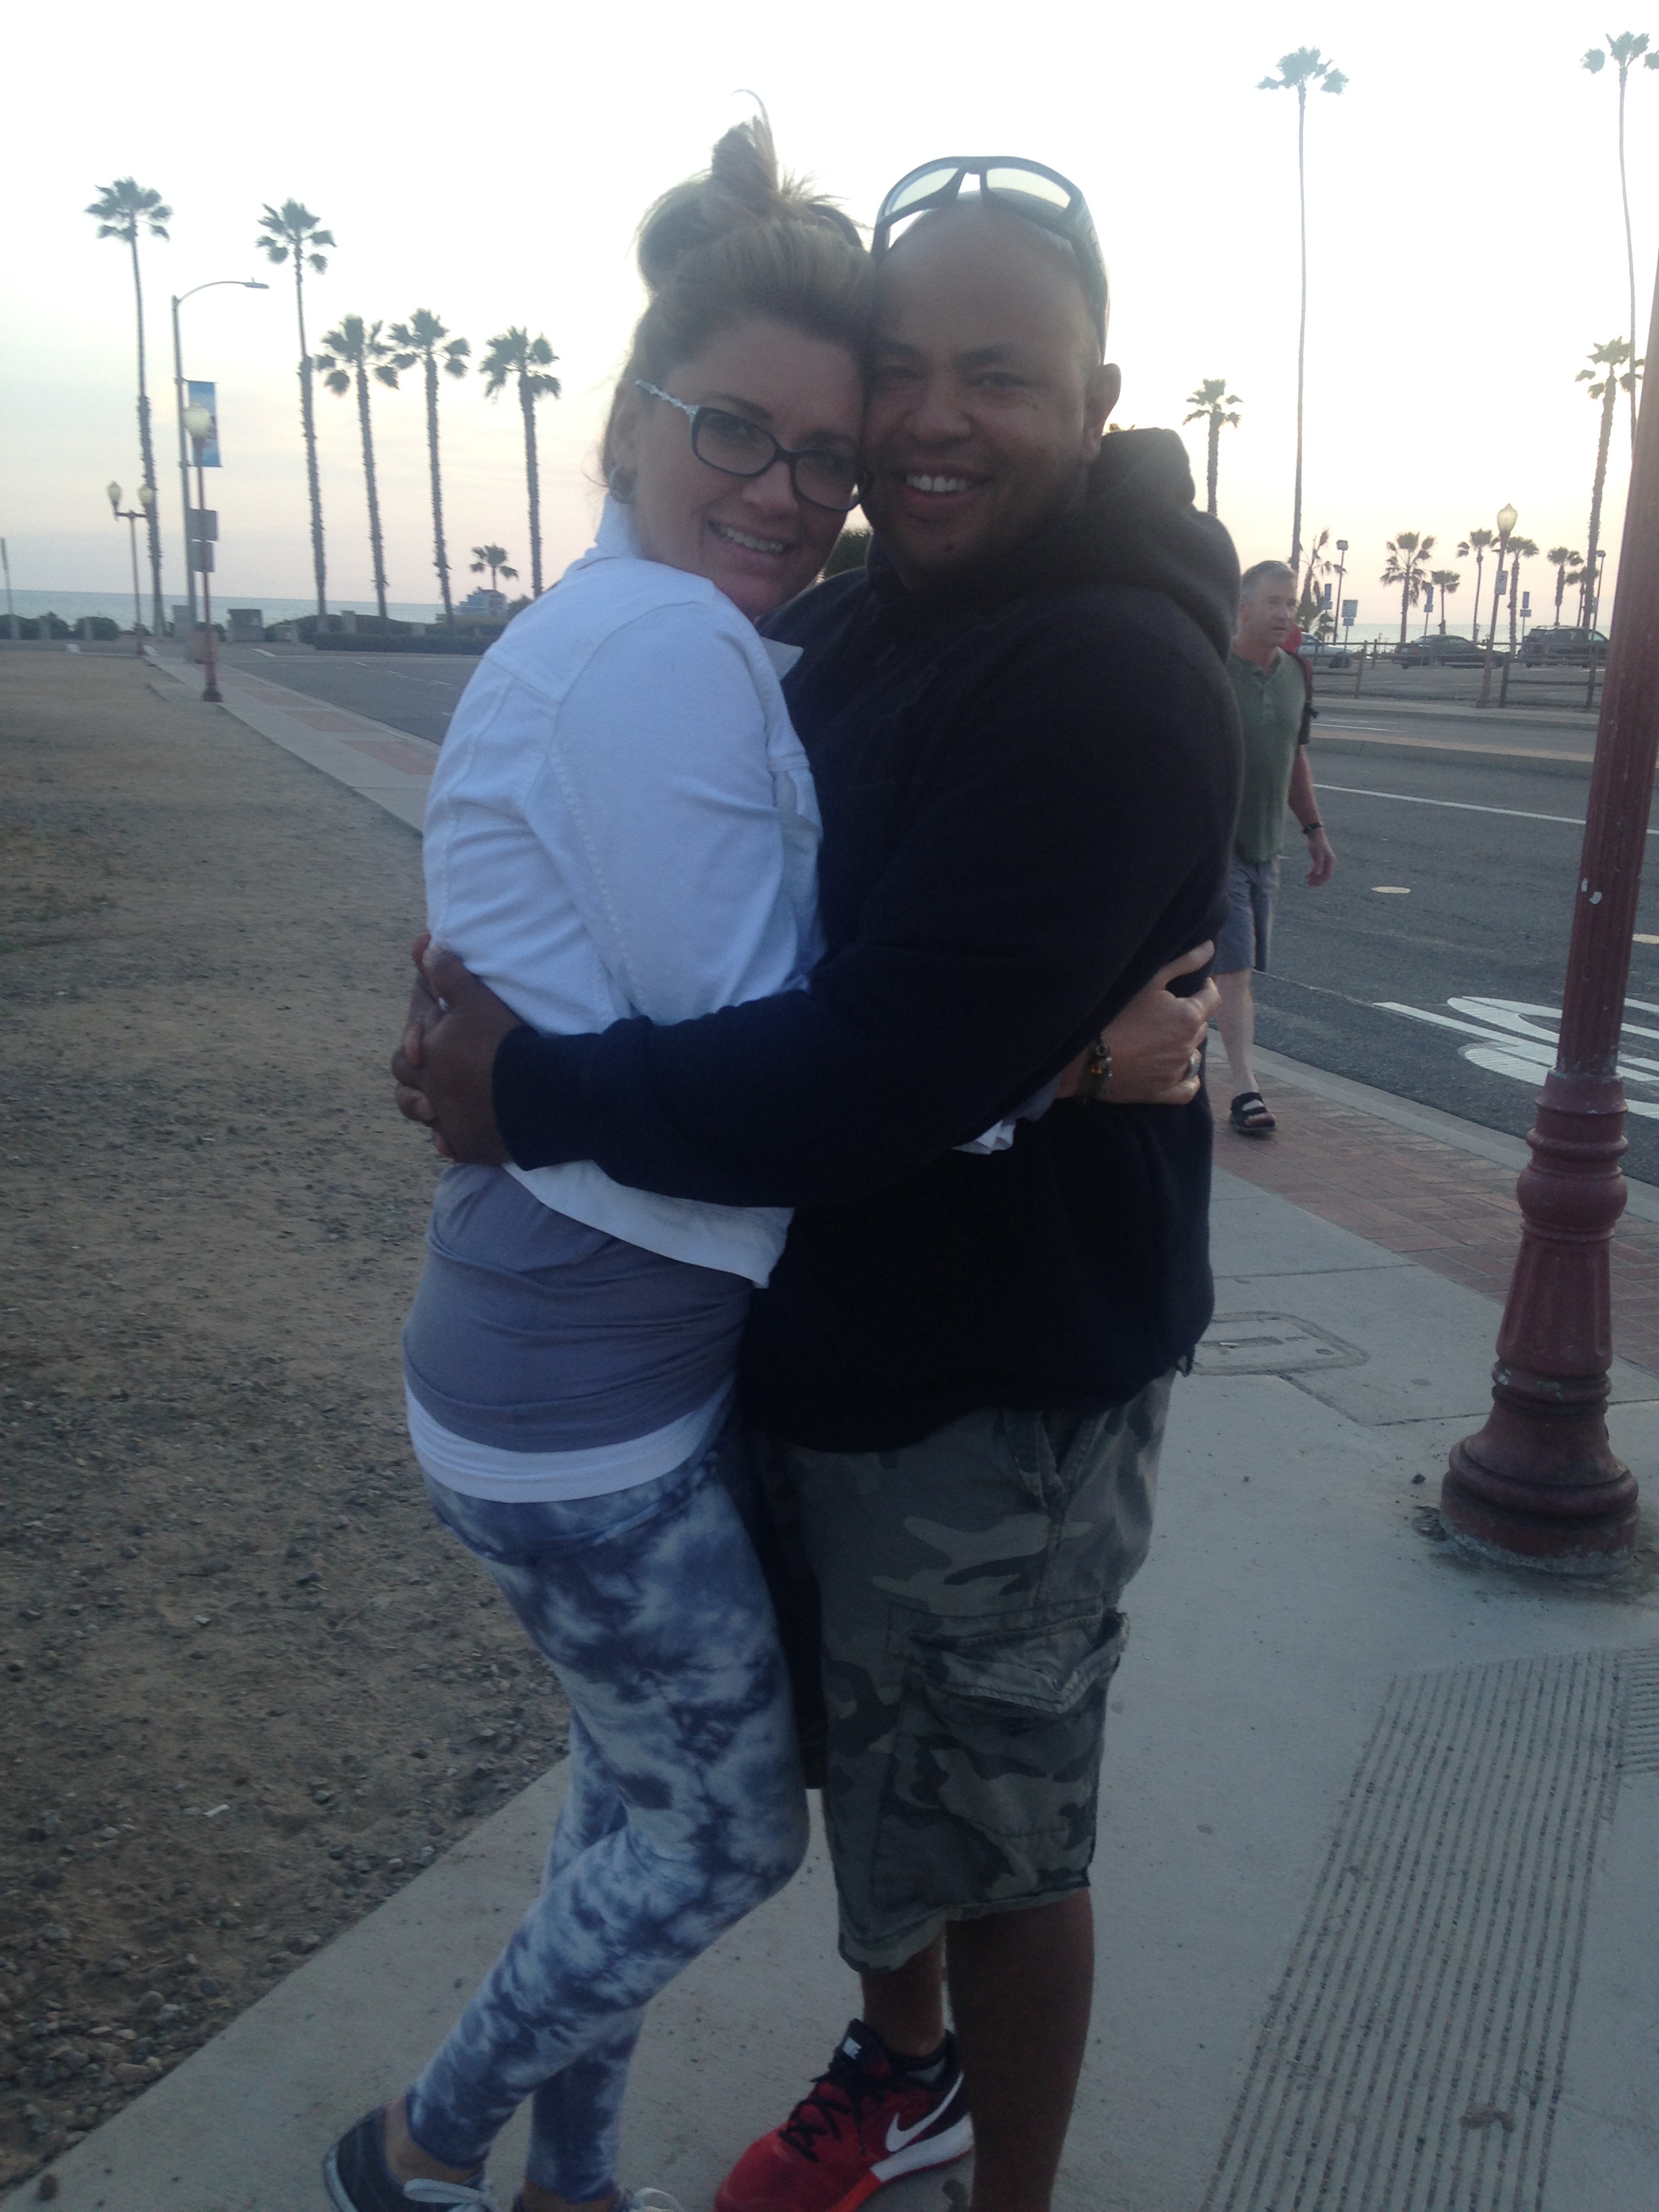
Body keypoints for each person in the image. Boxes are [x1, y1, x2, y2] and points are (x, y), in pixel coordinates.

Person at [394, 155, 1242, 2212]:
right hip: (810, 1332)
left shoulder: (1110, 670)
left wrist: (533, 1089)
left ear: (1094, 396)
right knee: (878, 1780)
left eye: (997, 375)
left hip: (990, 1384)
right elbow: (716, 918)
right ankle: (903, 2065)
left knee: (996, 1826)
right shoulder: (861, 613)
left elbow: (870, 1061)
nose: (928, 422)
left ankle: (998, 2177)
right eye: (899, 377)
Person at [324, 119, 874, 2212]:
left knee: (631, 1792)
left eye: (825, 458)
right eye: (737, 428)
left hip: (549, 1354)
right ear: (635, 419)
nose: (785, 490)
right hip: (581, 1403)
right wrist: (1053, 1066)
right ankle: (422, 2141)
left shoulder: (616, 625)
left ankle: (578, 2178)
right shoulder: (663, 645)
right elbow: (753, 1048)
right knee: (724, 1835)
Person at [1214, 558, 1336, 1136]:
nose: (1285, 613)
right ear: (1243, 608)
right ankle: (1246, 1091)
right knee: (1233, 969)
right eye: (1273, 602)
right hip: (1214, 848)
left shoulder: (1297, 674)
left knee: (1222, 968)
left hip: (1268, 846)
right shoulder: (1213, 667)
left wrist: (1314, 830)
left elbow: (1294, 757)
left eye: (1290, 603)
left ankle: (1179, 1054)